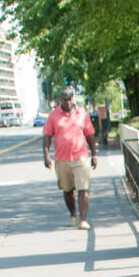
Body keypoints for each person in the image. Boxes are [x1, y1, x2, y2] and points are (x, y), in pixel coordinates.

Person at [42, 87, 97, 230]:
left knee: (83, 188)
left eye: (69, 99)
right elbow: (47, 136)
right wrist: (46, 156)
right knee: (67, 190)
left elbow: (90, 135)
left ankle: (83, 220)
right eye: (64, 99)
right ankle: (73, 214)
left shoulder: (82, 113)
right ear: (60, 100)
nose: (67, 102)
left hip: (80, 157)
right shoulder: (53, 115)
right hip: (62, 158)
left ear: (73, 98)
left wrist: (94, 155)